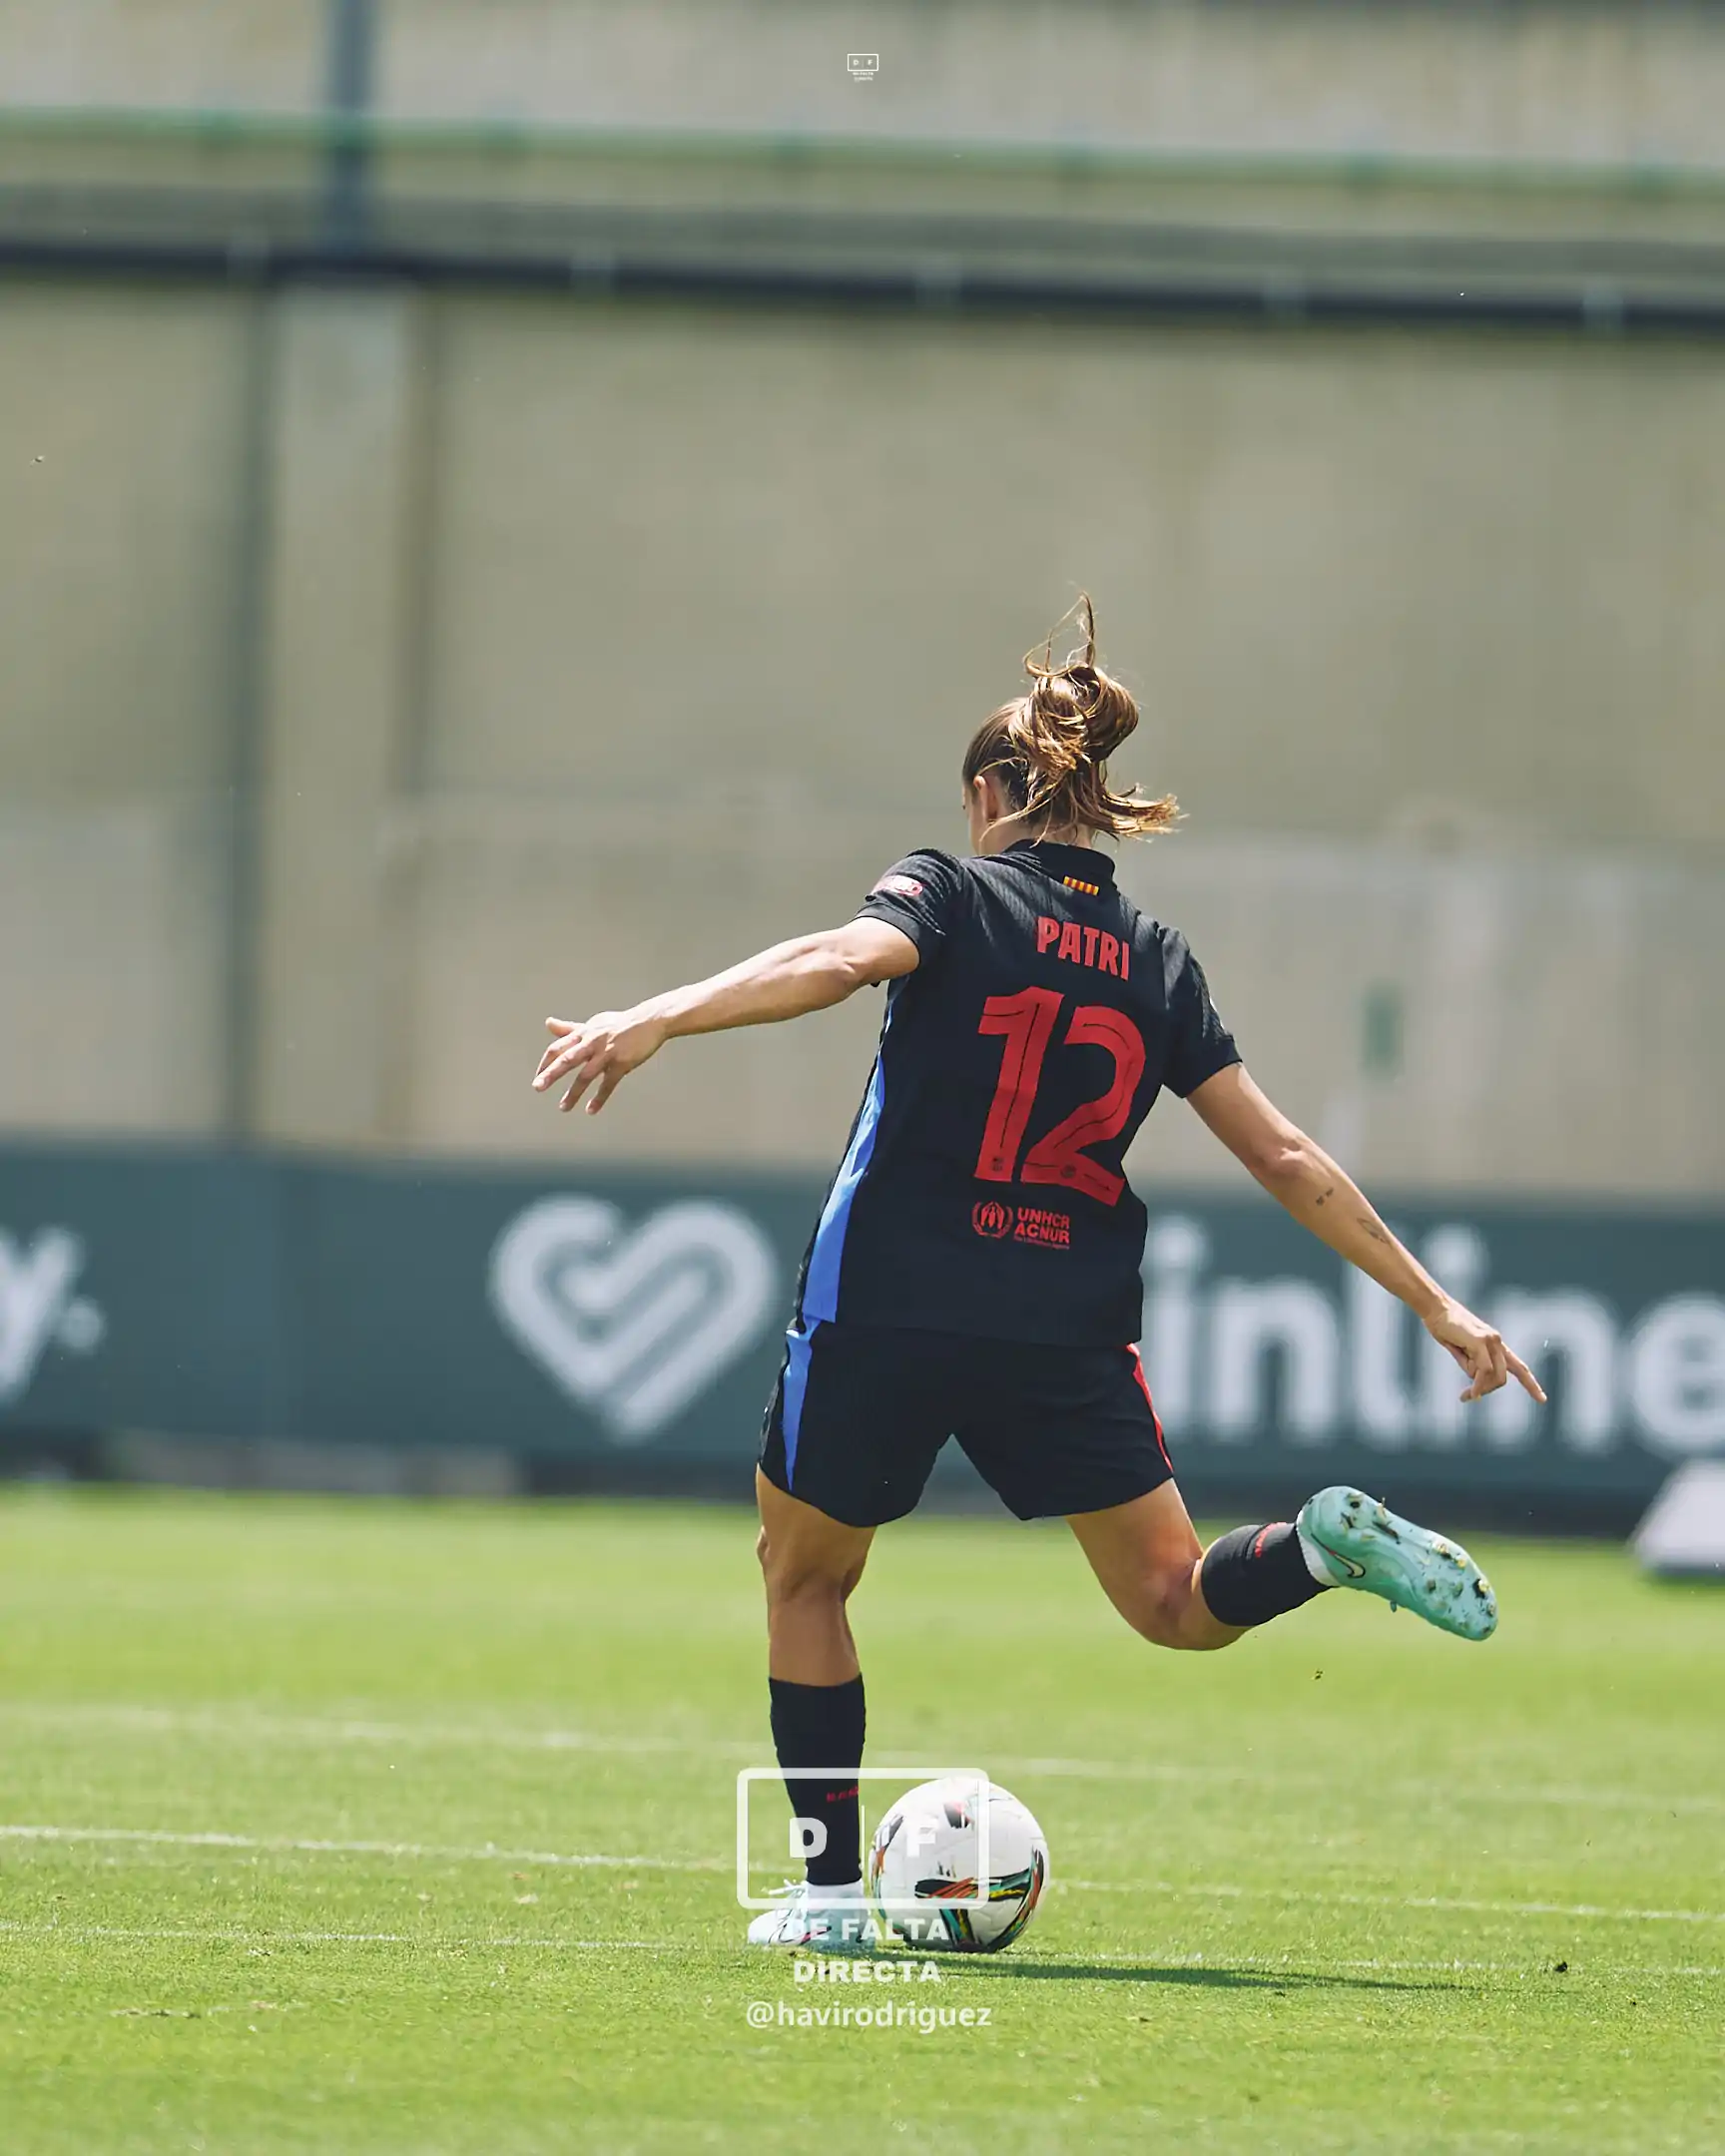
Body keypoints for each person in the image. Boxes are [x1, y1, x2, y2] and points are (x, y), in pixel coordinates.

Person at [531, 596, 1546, 1950]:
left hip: (891, 1299)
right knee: (1178, 1605)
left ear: (989, 794)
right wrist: (1439, 1305)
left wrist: (650, 1013)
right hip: (1060, 1318)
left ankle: (831, 1897)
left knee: (805, 1578)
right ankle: (1316, 1545)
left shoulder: (949, 893)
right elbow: (1287, 1153)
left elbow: (840, 961)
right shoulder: (1157, 959)